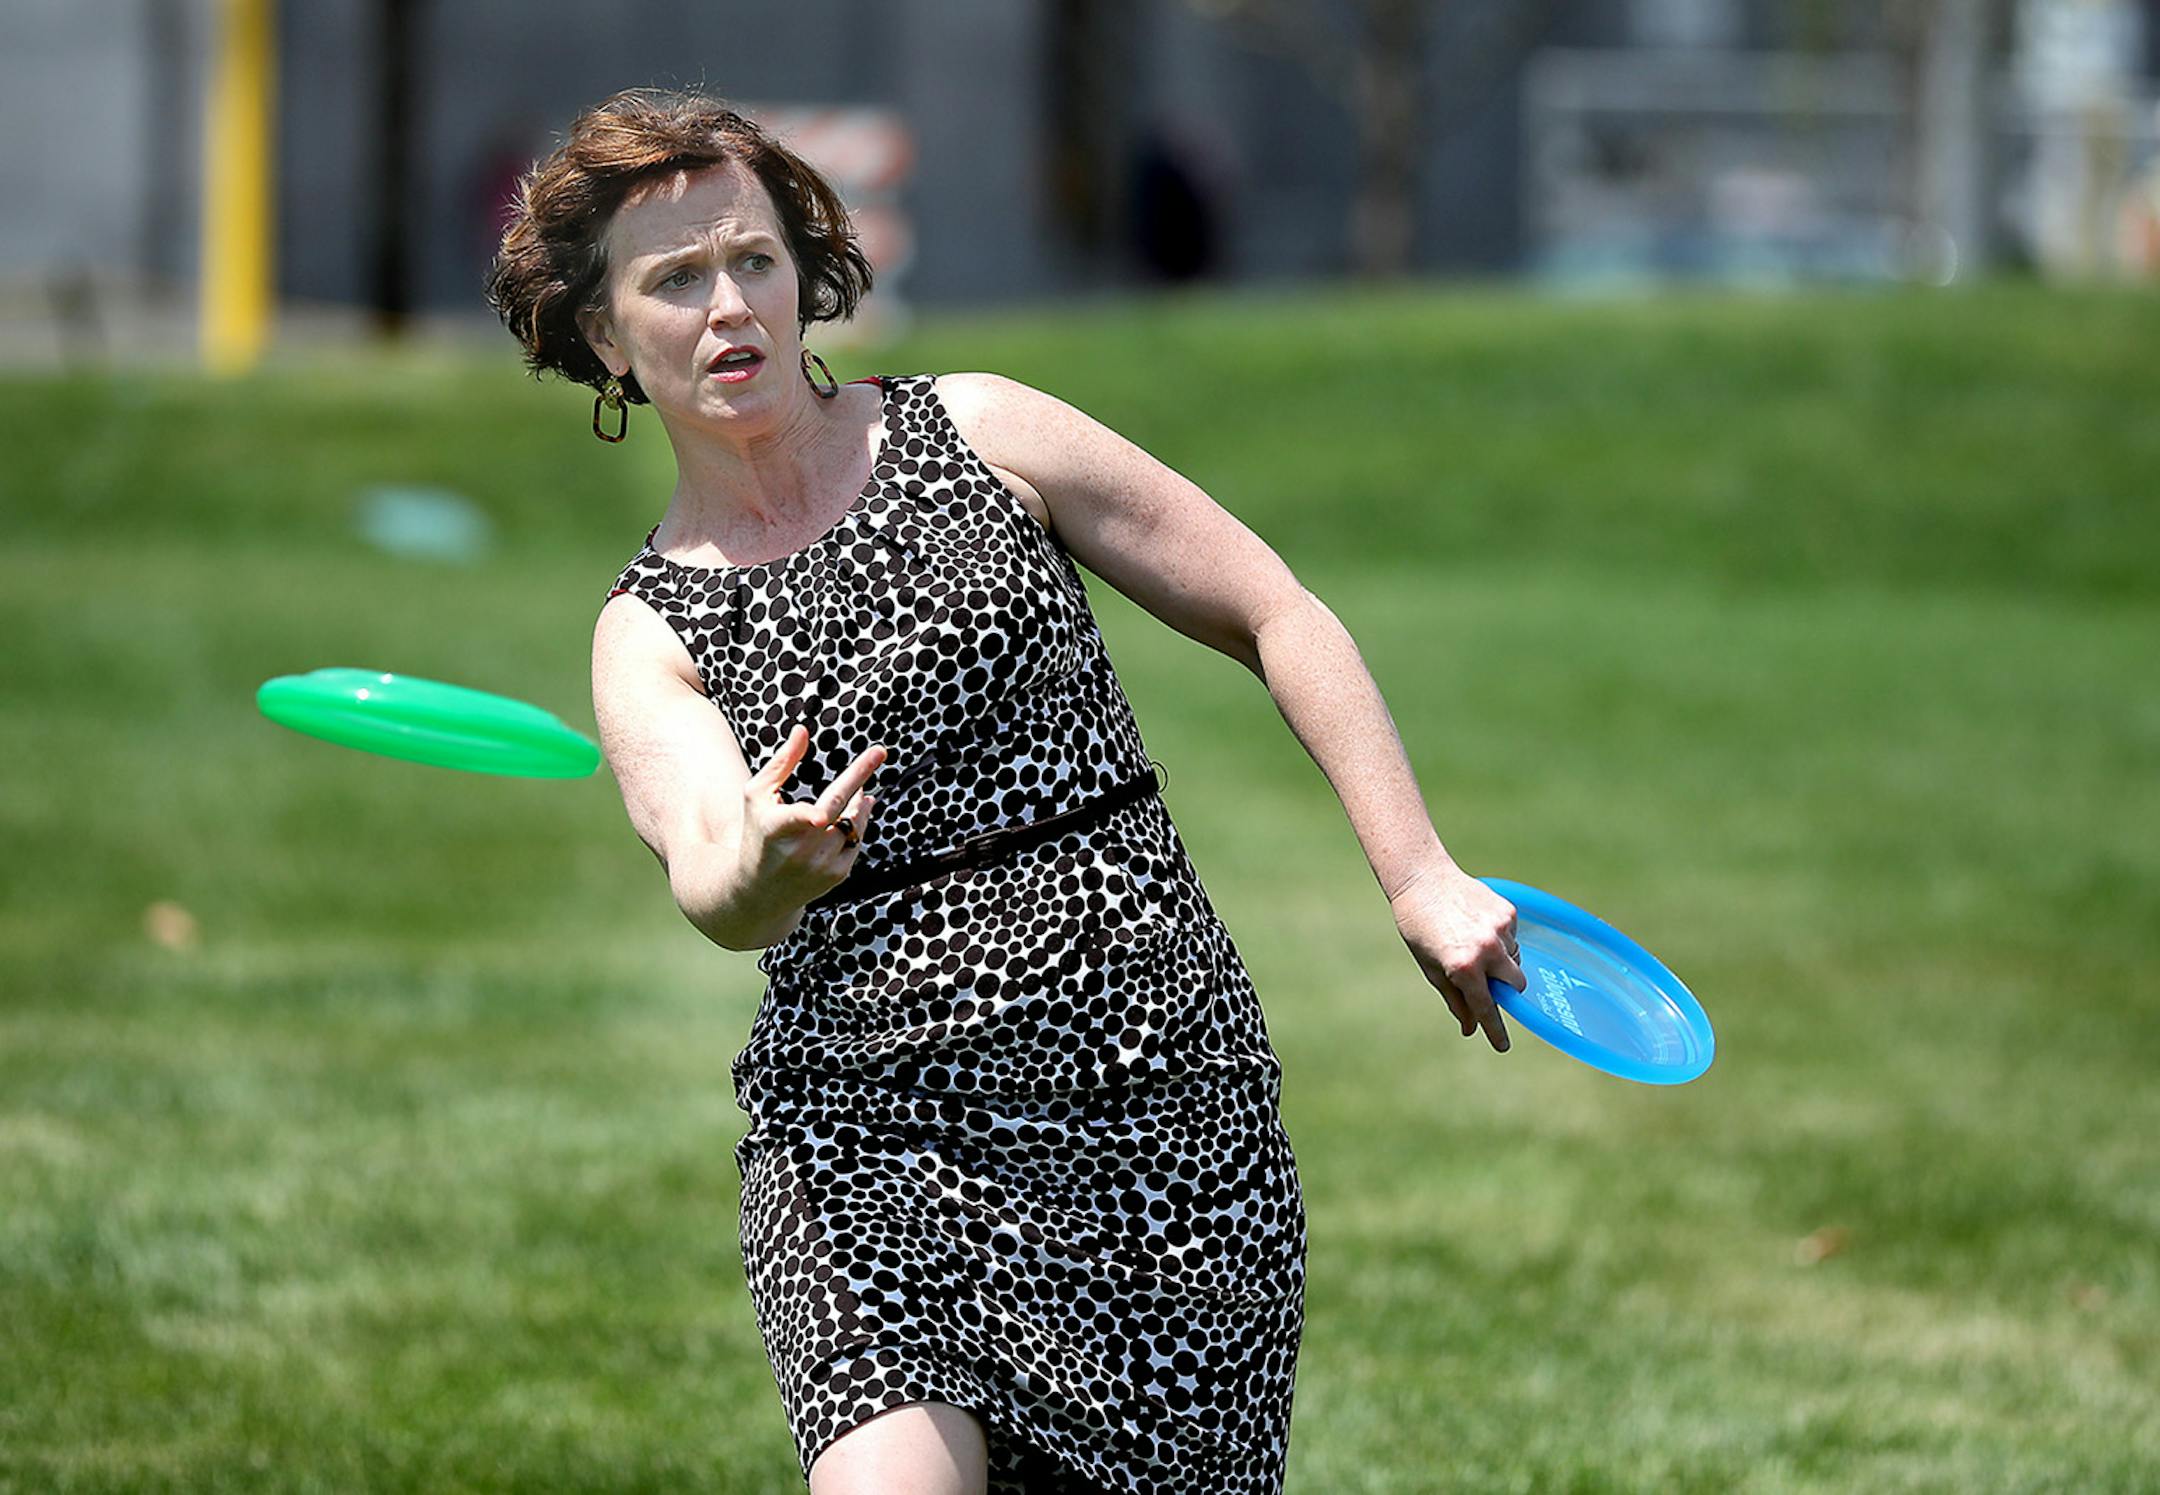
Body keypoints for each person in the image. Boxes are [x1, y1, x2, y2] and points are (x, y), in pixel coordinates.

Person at [486, 86, 1524, 1495]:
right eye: (674, 279)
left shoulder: (981, 431)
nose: (728, 305)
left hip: (1160, 1109)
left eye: (752, 260)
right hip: (870, 1147)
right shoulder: (651, 630)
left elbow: (1274, 610)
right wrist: (763, 873)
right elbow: (708, 875)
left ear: (803, 273)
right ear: (606, 334)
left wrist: (1418, 875)